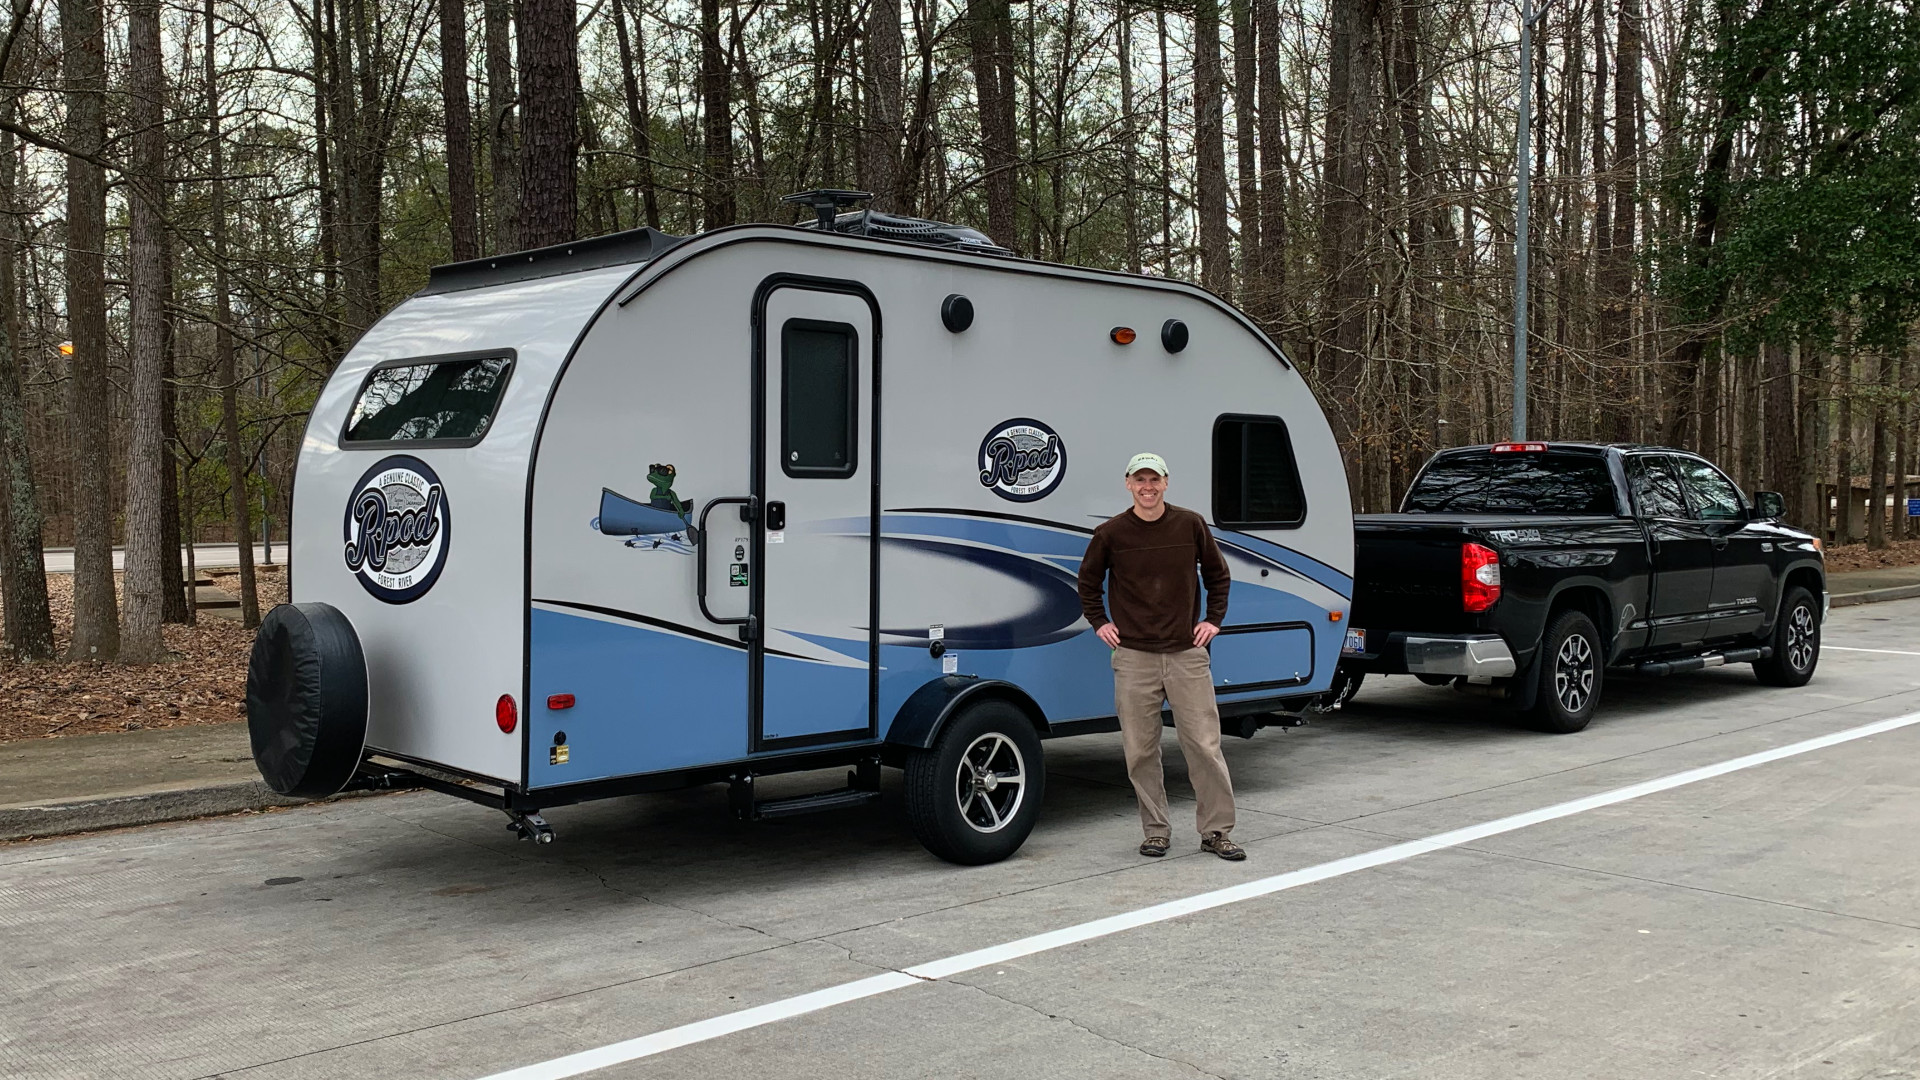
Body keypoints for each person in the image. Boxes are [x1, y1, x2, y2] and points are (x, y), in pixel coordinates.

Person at [1076, 452, 1244, 860]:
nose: (1147, 487)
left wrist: (1213, 621)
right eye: (1140, 480)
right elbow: (1087, 582)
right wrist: (1100, 622)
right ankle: (1156, 831)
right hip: (1133, 657)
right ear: (1128, 484)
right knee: (1140, 750)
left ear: (1166, 483)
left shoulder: (1190, 524)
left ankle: (1216, 832)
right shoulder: (1111, 533)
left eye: (1155, 480)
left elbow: (1218, 575)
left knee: (1204, 746)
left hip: (1187, 654)